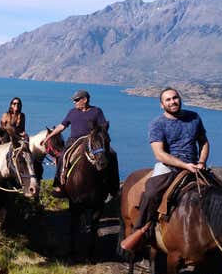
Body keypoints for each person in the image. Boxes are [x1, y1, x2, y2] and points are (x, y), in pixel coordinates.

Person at [120, 87, 210, 253]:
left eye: (175, 98)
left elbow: (203, 142)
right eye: (168, 100)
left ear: (179, 99)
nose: (172, 102)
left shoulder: (194, 117)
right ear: (162, 105)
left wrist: (202, 162)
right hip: (169, 167)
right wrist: (185, 165)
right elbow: (160, 154)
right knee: (150, 193)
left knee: (220, 193)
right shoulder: (157, 124)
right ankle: (140, 230)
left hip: (195, 167)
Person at [43, 89, 108, 195]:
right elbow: (62, 126)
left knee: (111, 155)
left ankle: (112, 185)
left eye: (77, 100)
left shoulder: (97, 111)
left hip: (91, 140)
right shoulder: (72, 112)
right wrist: (49, 136)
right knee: (62, 156)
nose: (74, 102)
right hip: (74, 141)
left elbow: (103, 127)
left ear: (85, 100)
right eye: (74, 100)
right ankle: (59, 185)